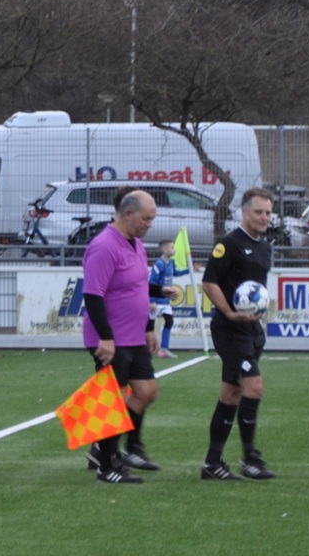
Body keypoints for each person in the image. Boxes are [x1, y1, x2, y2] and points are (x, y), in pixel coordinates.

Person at [80, 189, 176, 483]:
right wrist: (106, 339)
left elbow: (136, 288)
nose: (150, 224)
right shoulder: (104, 246)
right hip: (112, 339)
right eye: (147, 218)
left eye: (153, 218)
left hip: (134, 336)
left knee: (146, 392)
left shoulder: (137, 245)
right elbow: (93, 295)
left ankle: (104, 450)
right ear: (128, 214)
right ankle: (107, 467)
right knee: (114, 400)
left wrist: (149, 326)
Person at [199, 187, 276, 481]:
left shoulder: (265, 247)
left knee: (231, 394)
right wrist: (230, 312)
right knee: (253, 388)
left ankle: (212, 463)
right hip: (229, 329)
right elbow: (209, 282)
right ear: (244, 212)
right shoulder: (228, 244)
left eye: (268, 212)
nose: (264, 217)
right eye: (258, 212)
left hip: (252, 329)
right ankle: (250, 458)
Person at [150, 240, 178, 359]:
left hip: (165, 301)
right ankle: (147, 348)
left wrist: (192, 270)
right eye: (172, 248)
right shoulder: (159, 264)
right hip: (156, 300)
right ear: (165, 250)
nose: (174, 250)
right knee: (149, 325)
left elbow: (176, 273)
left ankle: (164, 349)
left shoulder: (171, 262)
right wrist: (151, 301)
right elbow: (151, 282)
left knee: (169, 321)